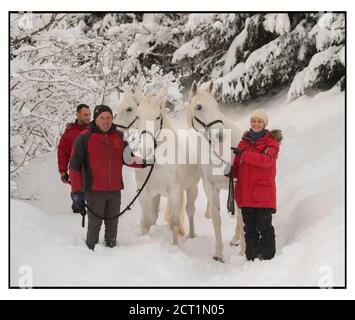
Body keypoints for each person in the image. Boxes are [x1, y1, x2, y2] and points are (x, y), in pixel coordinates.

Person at [69, 105, 147, 250]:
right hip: (94, 191)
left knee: (113, 224)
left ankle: (111, 252)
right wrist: (77, 192)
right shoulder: (84, 138)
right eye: (102, 118)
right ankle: (90, 253)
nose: (106, 121)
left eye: (109, 118)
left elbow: (128, 158)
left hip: (114, 191)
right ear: (96, 119)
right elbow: (74, 166)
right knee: (94, 225)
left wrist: (145, 162)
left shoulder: (118, 136)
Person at [231, 109, 282, 261]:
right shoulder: (243, 142)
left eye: (259, 121)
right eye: (253, 121)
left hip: (263, 194)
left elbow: (266, 161)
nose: (256, 124)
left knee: (264, 227)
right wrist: (231, 172)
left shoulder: (271, 142)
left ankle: (267, 257)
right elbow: (238, 165)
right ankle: (251, 256)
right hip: (245, 194)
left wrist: (244, 155)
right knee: (249, 229)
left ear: (265, 123)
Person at [57, 104, 91, 213]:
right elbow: (62, 153)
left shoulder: (94, 131)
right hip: (75, 172)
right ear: (77, 114)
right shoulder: (69, 134)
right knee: (78, 204)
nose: (88, 117)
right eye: (85, 114)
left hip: (91, 172)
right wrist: (63, 172)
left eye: (89, 115)